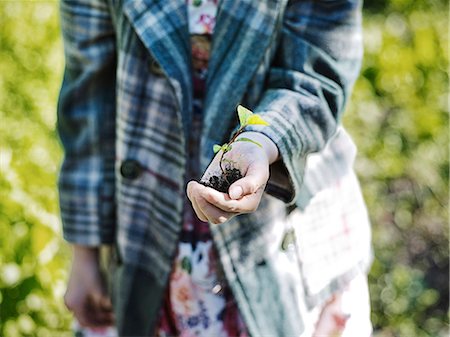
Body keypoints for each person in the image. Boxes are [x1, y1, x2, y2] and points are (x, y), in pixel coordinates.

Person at [58, 0, 373, 336]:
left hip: (280, 226)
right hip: (147, 226)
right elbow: (89, 100)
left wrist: (260, 141)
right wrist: (85, 251)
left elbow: (314, 76)